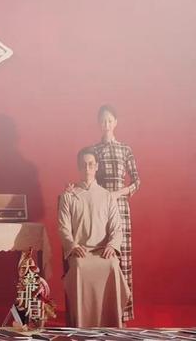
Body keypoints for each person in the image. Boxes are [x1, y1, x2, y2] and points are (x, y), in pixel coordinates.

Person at [58, 147, 130, 328]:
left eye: (91, 164)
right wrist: (73, 246)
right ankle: (82, 326)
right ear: (78, 167)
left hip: (103, 251)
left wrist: (112, 246)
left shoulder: (107, 197)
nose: (87, 168)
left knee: (112, 265)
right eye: (83, 165)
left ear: (97, 166)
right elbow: (63, 227)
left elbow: (116, 228)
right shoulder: (69, 196)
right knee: (80, 267)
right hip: (80, 252)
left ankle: (112, 323)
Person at [92, 104, 140, 322]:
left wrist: (119, 193)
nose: (106, 124)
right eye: (103, 120)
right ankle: (104, 311)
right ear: (98, 123)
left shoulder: (125, 150)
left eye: (110, 120)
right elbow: (90, 180)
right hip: (100, 208)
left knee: (123, 259)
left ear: (116, 122)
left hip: (120, 207)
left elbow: (137, 181)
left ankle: (124, 312)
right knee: (104, 256)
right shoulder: (94, 150)